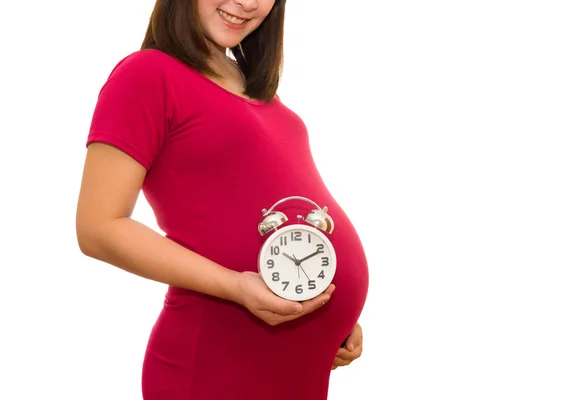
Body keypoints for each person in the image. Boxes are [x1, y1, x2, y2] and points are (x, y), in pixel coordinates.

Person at [75, 0, 369, 399]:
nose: (247, 2)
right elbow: (98, 228)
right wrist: (236, 286)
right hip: (217, 361)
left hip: (289, 363)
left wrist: (325, 304)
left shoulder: (251, 86)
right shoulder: (146, 74)